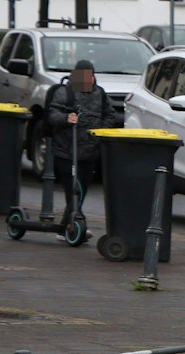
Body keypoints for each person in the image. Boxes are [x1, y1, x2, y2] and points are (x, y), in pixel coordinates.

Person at [44, 61, 123, 239]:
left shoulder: (99, 93)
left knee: (82, 188)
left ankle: (69, 225)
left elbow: (110, 115)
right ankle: (75, 223)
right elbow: (52, 115)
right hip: (66, 151)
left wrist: (100, 131)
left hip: (89, 150)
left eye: (91, 75)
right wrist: (66, 118)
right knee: (71, 189)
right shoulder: (64, 92)